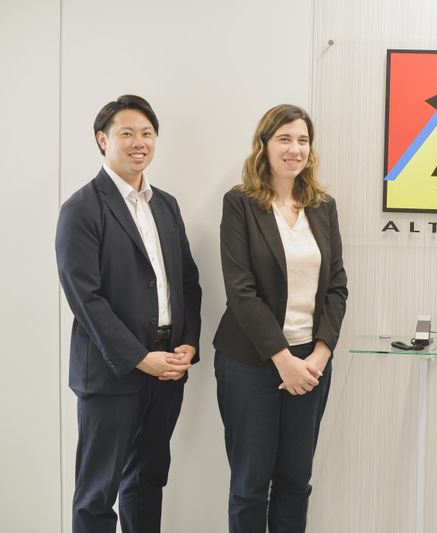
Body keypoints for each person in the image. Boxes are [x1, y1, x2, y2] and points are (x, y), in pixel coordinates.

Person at [55, 94, 202, 533]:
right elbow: (86, 299)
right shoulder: (81, 208)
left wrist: (187, 343)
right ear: (103, 140)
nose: (140, 142)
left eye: (147, 133)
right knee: (97, 496)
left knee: (146, 483)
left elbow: (187, 282)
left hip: (167, 369)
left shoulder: (166, 205)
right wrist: (139, 357)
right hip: (111, 373)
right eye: (127, 133)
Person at [213, 104, 347, 532]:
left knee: (295, 482)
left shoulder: (322, 206)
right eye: (284, 139)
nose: (295, 149)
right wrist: (283, 358)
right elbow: (241, 291)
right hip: (250, 361)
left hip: (311, 364)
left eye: (303, 140)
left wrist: (320, 353)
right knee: (250, 484)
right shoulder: (240, 203)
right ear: (265, 145)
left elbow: (337, 287)